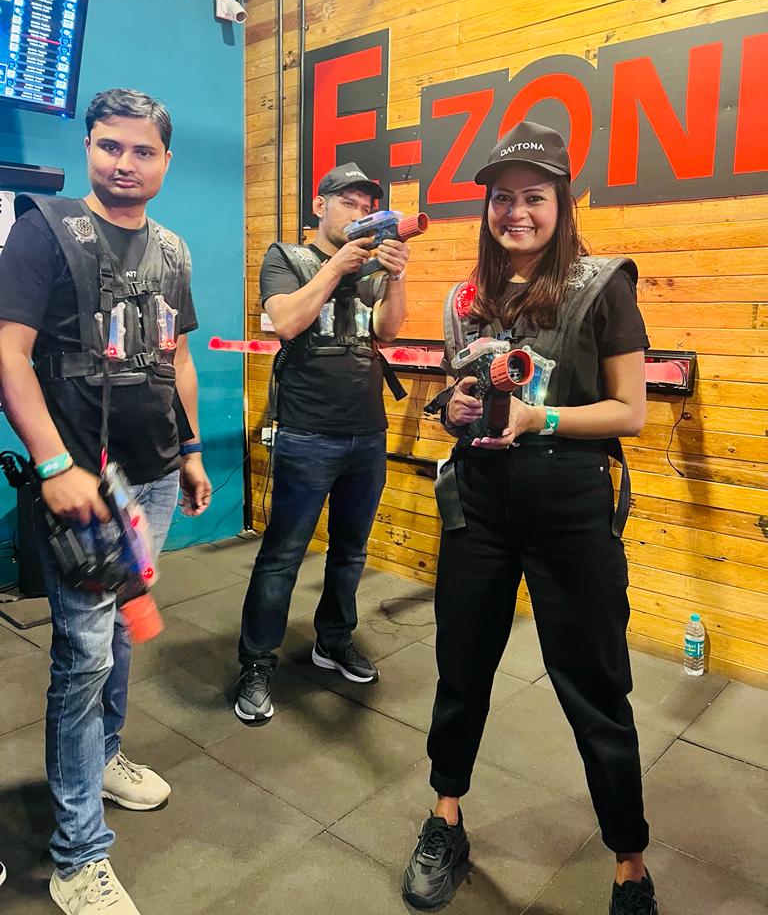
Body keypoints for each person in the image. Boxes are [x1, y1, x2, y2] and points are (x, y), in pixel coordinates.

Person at [402, 121, 657, 915]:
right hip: (479, 502)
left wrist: (540, 419)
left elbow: (630, 412)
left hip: (569, 504)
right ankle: (446, 818)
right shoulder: (466, 297)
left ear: (562, 202)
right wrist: (455, 409)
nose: (516, 212)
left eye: (534, 197)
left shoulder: (602, 285)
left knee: (594, 684)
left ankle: (630, 862)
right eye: (503, 198)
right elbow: (457, 394)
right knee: (462, 666)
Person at [0, 88, 211, 915]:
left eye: (142, 150)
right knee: (84, 657)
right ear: (89, 147)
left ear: (165, 160)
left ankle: (104, 757)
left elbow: (176, 361)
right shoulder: (43, 230)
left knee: (123, 630)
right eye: (110, 146)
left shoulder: (173, 249)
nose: (125, 163)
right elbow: (9, 354)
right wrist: (53, 464)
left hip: (150, 481)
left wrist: (190, 453)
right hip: (83, 487)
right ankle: (77, 855)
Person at [235, 163, 409, 724]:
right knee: (282, 555)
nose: (360, 214)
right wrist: (336, 266)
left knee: (351, 551)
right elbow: (286, 321)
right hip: (307, 432)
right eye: (349, 203)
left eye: (368, 207)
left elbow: (387, 330)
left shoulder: (371, 265)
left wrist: (396, 275)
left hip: (367, 432)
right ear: (320, 205)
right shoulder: (286, 257)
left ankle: (332, 640)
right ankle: (256, 663)